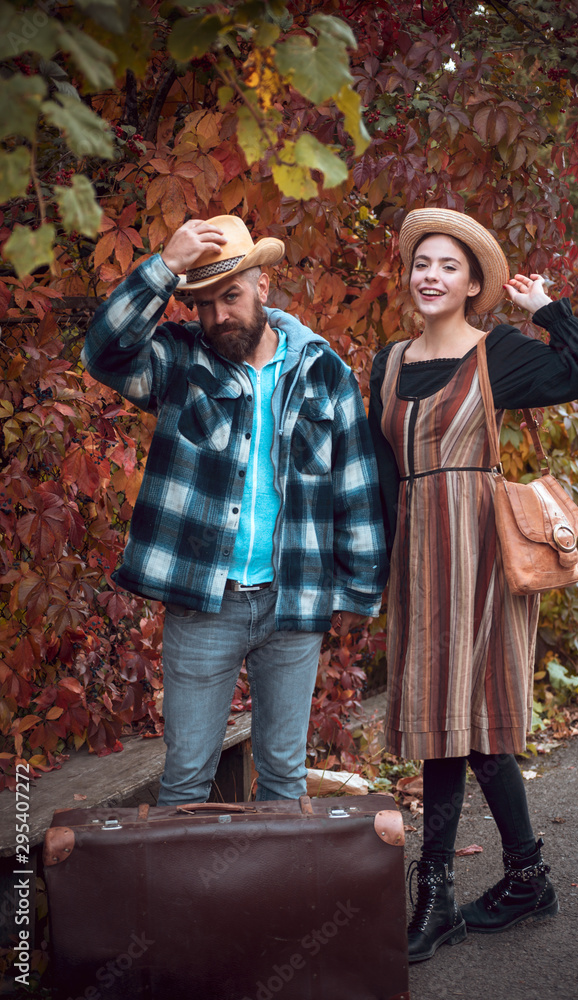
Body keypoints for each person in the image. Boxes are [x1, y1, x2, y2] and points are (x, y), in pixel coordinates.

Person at [368, 208, 578, 962]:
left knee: (464, 723)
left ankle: (442, 896)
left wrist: (547, 310)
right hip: (417, 561)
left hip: (479, 555)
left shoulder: (497, 353)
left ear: (473, 282)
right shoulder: (385, 363)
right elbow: (380, 477)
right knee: (447, 721)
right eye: (421, 263)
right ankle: (522, 878)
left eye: (448, 266)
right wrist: (376, 571)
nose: (430, 276)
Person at [83, 214, 388, 805]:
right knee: (186, 779)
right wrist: (163, 268)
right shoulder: (180, 361)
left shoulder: (324, 371)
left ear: (262, 288)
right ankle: (183, 901)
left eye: (231, 295)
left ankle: (270, 900)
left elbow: (355, 484)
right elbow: (104, 353)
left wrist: (357, 594)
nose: (219, 315)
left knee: (283, 779)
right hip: (205, 600)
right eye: (204, 303)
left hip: (293, 599)